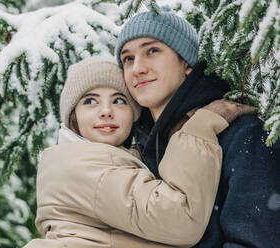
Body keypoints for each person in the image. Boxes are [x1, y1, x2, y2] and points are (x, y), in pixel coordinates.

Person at [23, 56, 256, 248]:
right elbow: (179, 219)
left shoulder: (116, 159)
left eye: (119, 100)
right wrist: (198, 129)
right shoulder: (80, 165)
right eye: (90, 101)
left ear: (133, 115)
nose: (106, 111)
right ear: (72, 116)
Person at [115, 9, 280, 248]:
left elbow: (256, 241)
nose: (137, 68)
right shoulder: (138, 150)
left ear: (187, 63)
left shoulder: (242, 134)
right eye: (127, 58)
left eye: (152, 51)